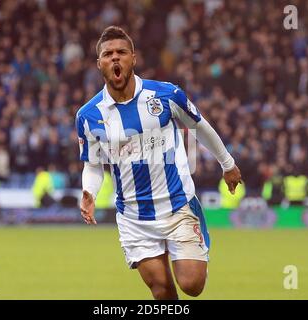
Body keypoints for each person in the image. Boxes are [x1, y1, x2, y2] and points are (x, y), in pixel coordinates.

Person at [76, 26, 242, 300]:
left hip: (177, 206)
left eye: (121, 52)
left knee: (191, 285)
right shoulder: (88, 115)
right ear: (99, 64)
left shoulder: (165, 95)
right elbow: (93, 164)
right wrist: (89, 192)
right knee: (163, 292)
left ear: (133, 58)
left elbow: (200, 127)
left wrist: (228, 164)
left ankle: (191, 249)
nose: (114, 58)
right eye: (108, 54)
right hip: (134, 217)